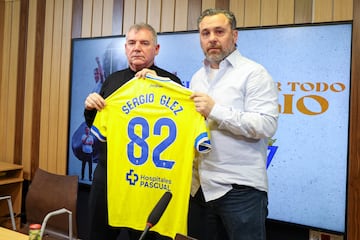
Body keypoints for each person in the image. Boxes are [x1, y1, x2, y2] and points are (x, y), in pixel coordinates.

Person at [83, 23, 182, 240]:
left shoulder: (171, 83)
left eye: (144, 43)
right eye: (131, 43)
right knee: (98, 233)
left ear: (156, 49)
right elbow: (98, 127)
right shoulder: (112, 80)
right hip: (109, 172)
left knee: (146, 235)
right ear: (125, 47)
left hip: (148, 179)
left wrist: (156, 80)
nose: (137, 48)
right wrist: (89, 108)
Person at [188, 8, 279, 240]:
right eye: (205, 33)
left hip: (241, 190)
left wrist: (215, 110)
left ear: (235, 35)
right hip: (203, 189)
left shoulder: (254, 74)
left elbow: (266, 125)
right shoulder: (197, 77)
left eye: (219, 31)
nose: (212, 39)